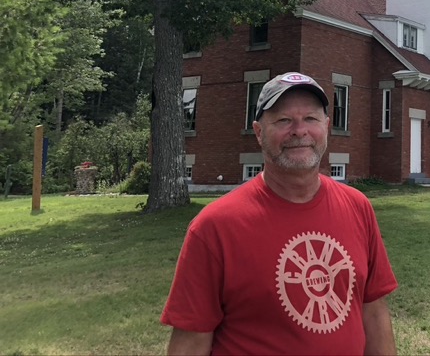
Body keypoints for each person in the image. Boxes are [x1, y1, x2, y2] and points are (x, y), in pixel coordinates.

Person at [161, 72, 398, 355]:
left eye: (310, 119)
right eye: (284, 120)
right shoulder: (214, 227)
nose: (299, 130)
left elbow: (373, 312)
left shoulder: (358, 207)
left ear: (326, 127)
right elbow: (191, 341)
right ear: (259, 132)